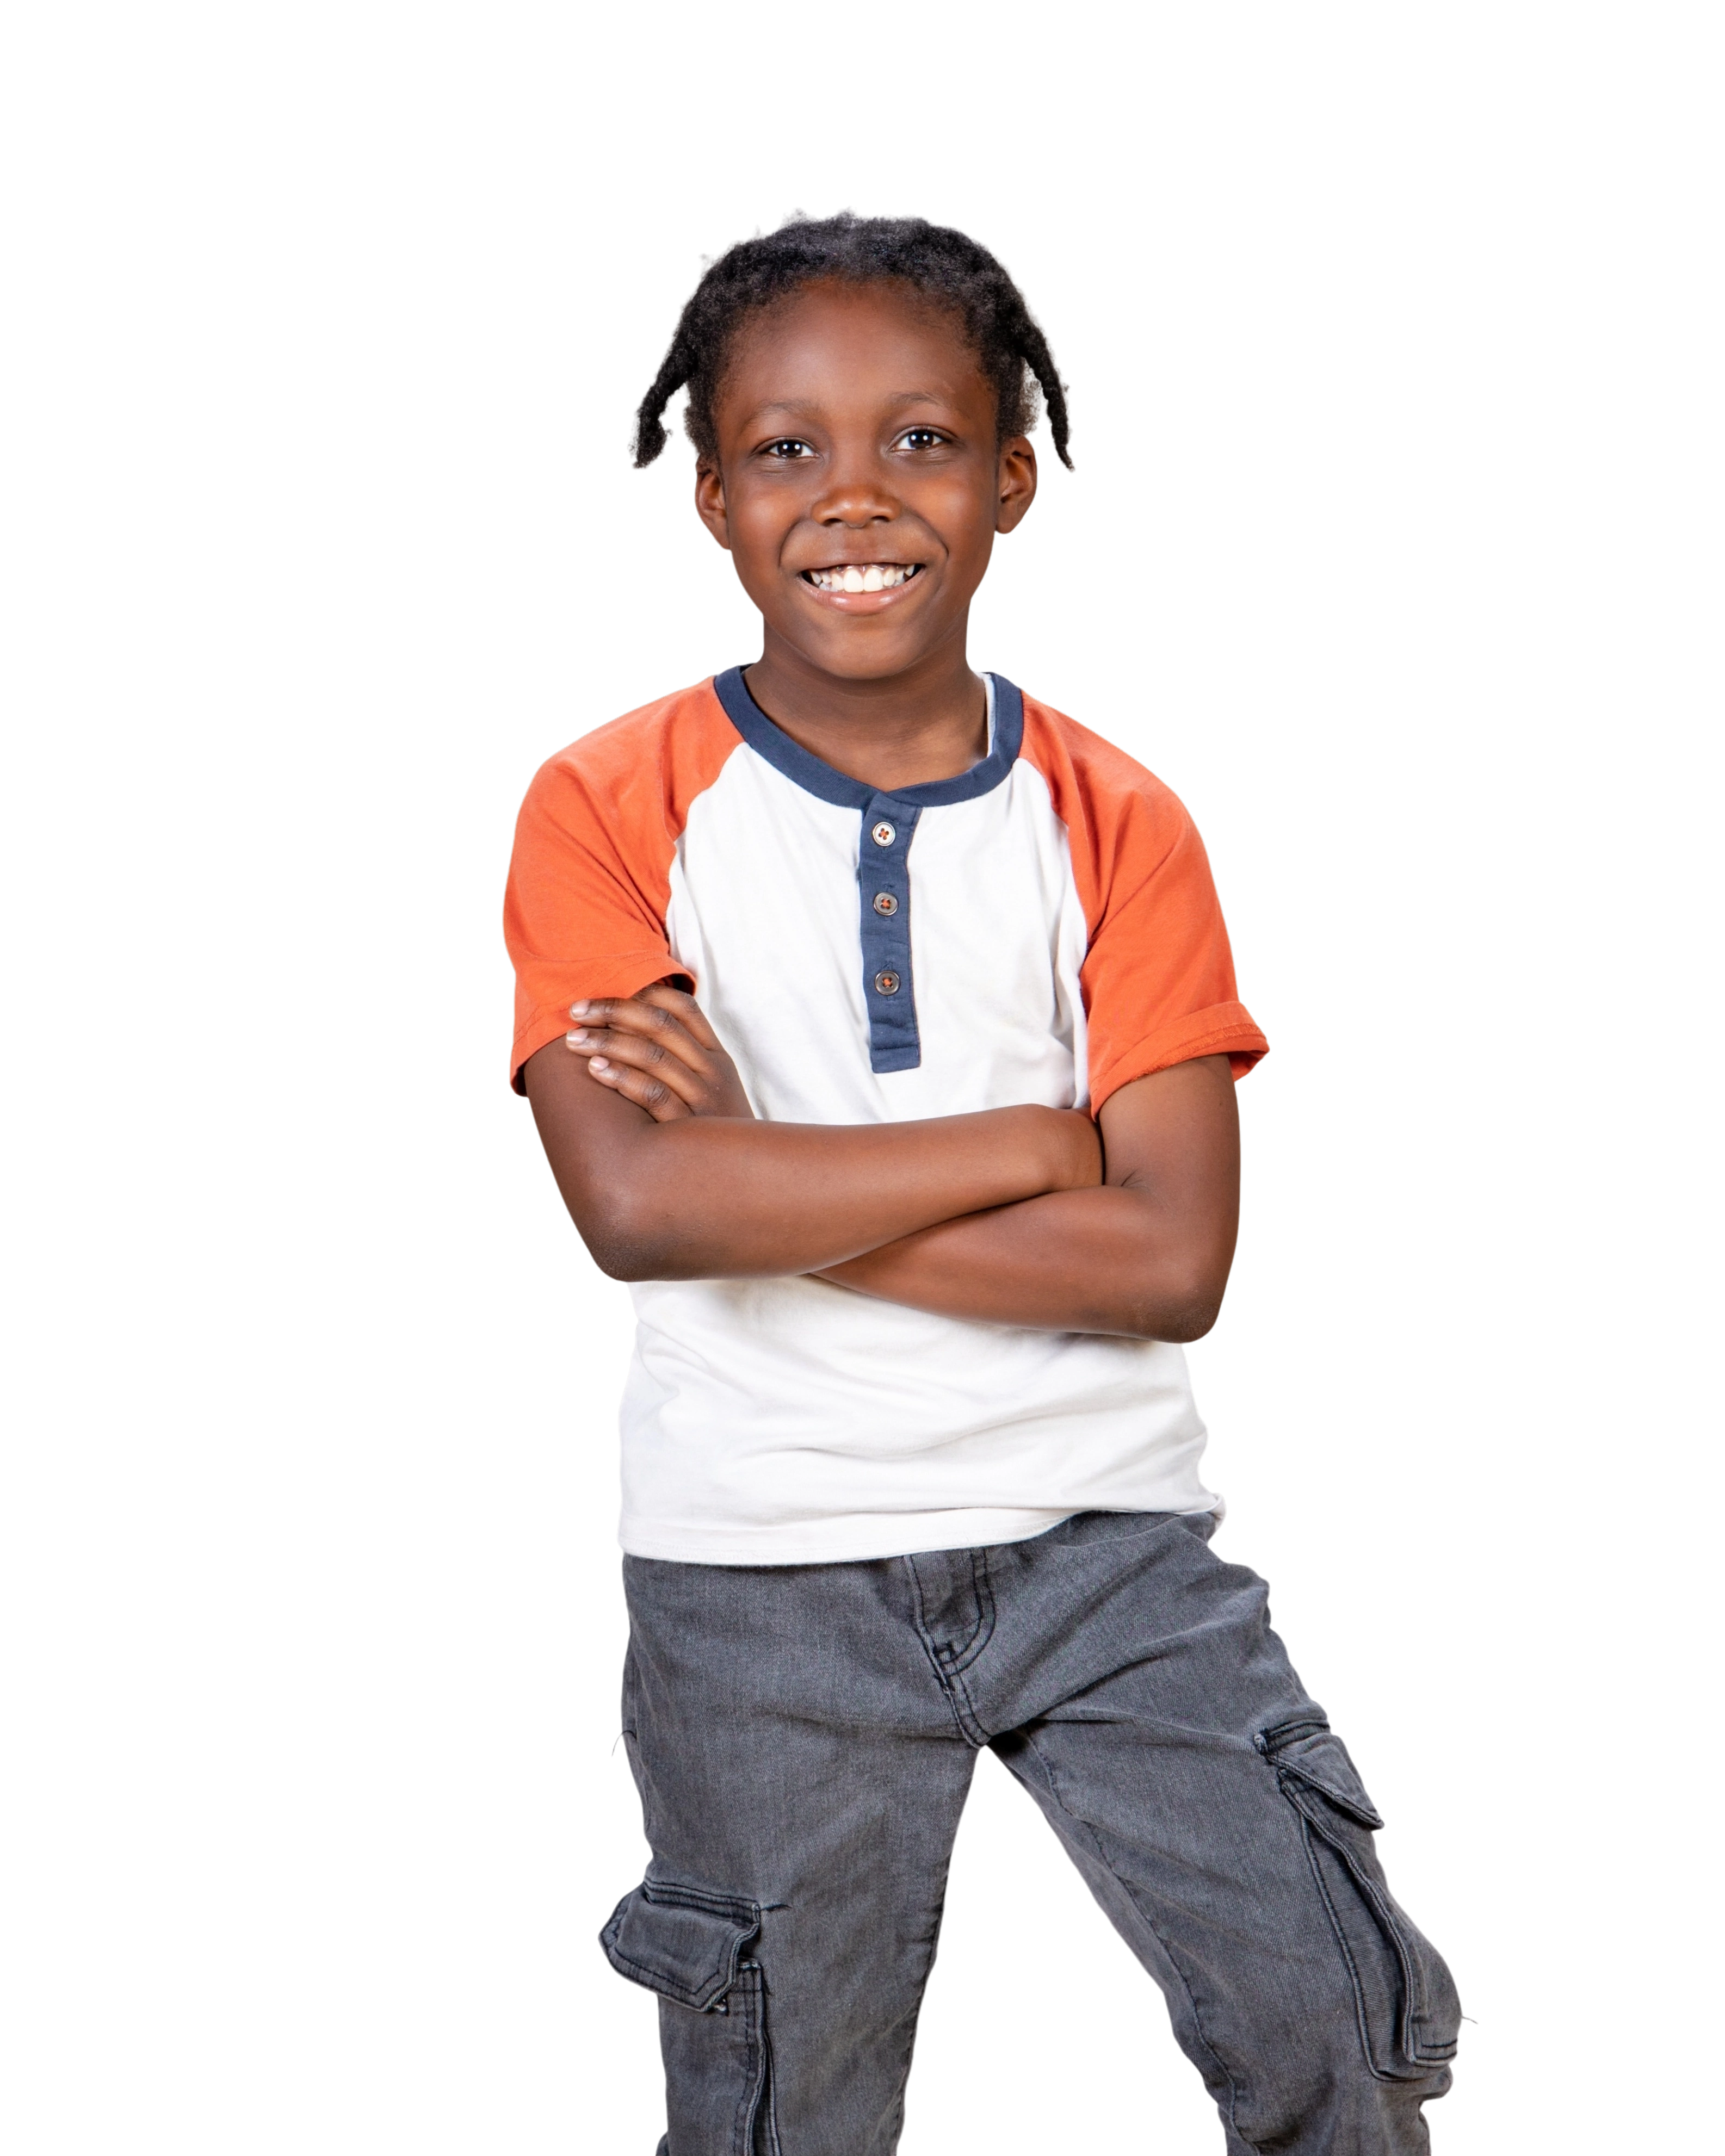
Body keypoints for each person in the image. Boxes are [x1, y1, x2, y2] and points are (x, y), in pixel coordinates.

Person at [502, 206, 1463, 2156]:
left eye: (923, 438)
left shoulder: (1119, 820)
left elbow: (1172, 1256)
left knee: (1333, 2036)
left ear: (1013, 477)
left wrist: (768, 1178)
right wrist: (1037, 1145)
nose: (856, 496)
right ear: (711, 499)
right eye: (787, 446)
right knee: (786, 2112)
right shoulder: (603, 805)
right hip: (756, 1573)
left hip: (1110, 1545)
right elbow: (640, 1210)